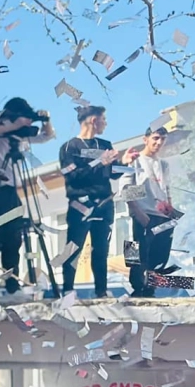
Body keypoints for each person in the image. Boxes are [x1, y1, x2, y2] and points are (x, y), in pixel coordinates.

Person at [0, 97, 56, 295]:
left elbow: (46, 136)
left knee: (13, 238)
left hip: (10, 191)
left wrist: (45, 120)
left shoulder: (18, 137)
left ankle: (12, 285)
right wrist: (11, 126)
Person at [59, 104, 117, 296]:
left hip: (104, 204)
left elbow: (112, 173)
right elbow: (73, 176)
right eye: (104, 119)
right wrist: (100, 162)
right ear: (94, 120)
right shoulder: (69, 147)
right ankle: (67, 291)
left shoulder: (105, 145)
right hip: (80, 205)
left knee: (101, 249)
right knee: (73, 247)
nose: (106, 124)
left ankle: (102, 291)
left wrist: (125, 163)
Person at [121, 125, 179, 297]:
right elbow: (125, 187)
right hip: (143, 214)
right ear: (145, 139)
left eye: (162, 139)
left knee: (160, 255)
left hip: (163, 216)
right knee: (137, 252)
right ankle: (137, 288)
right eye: (155, 138)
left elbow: (166, 189)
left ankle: (150, 289)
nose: (159, 142)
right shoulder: (136, 160)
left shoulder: (164, 164)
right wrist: (137, 212)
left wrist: (171, 210)